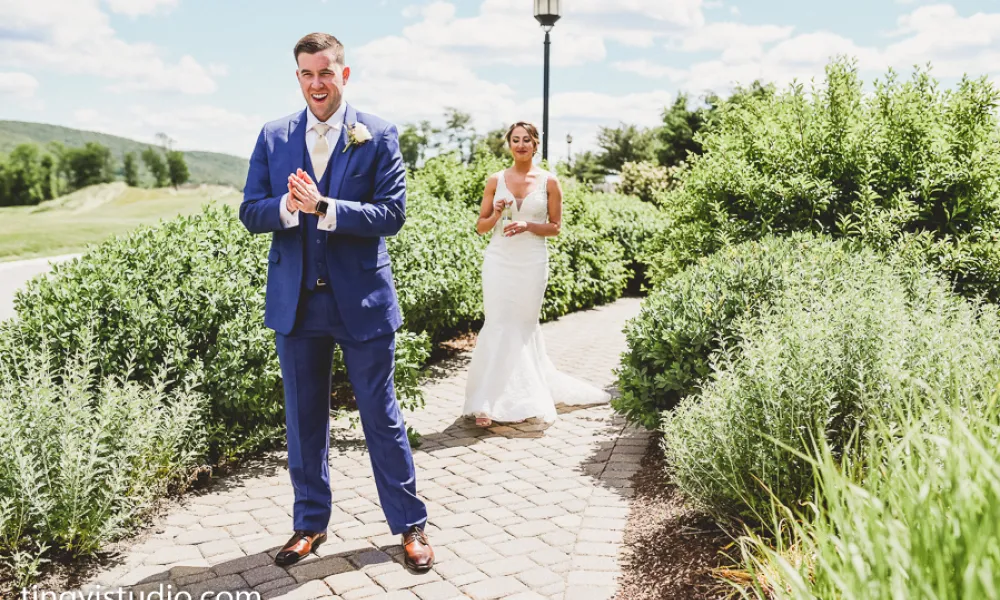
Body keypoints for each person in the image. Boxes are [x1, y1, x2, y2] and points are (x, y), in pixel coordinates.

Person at [238, 32, 433, 572]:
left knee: (381, 417)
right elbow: (250, 210)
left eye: (326, 73)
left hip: (362, 302)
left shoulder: (377, 134)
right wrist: (286, 206)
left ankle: (409, 524)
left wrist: (324, 205)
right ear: (296, 76)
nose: (316, 83)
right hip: (296, 304)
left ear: (344, 74)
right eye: (306, 73)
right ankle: (309, 524)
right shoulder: (274, 136)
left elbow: (392, 214)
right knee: (304, 421)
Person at [463, 122, 611, 427]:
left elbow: (555, 227)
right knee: (498, 322)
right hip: (499, 259)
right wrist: (496, 213)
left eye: (526, 140)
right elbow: (481, 226)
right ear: (509, 145)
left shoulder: (549, 182)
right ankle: (487, 402)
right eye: (515, 140)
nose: (520, 145)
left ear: (535, 144)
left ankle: (525, 395)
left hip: (531, 260)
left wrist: (528, 225)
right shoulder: (495, 181)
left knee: (523, 324)